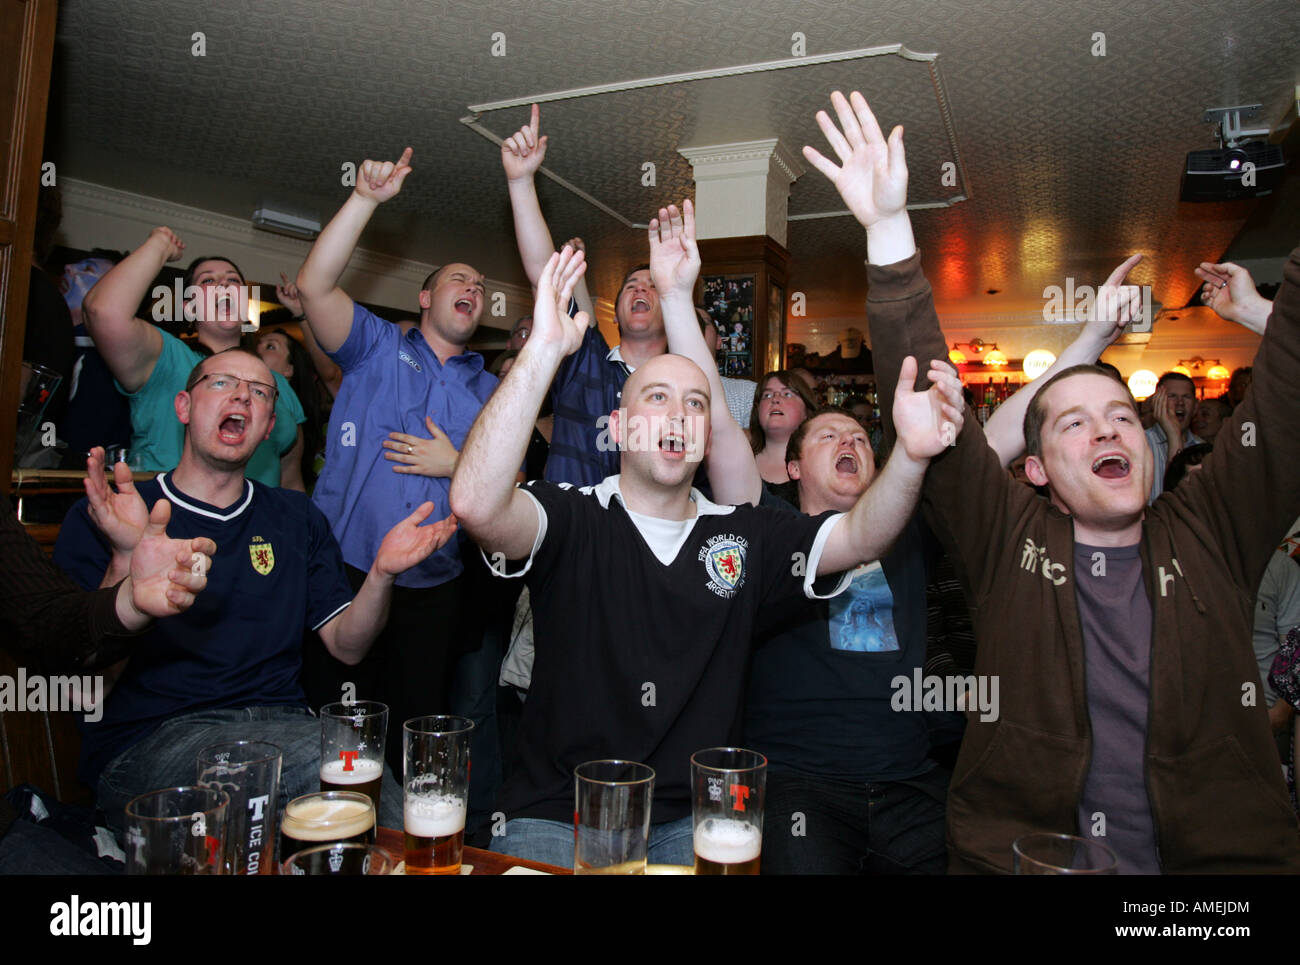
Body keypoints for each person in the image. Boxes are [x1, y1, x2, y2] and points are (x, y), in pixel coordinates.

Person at [806, 89, 1300, 873]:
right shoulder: (1012, 543)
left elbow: (1285, 404)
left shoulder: (1212, 527)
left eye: (1119, 415)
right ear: (1034, 471)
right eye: (1073, 421)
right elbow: (938, 411)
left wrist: (1272, 310)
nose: (1107, 427)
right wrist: (886, 231)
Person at [449, 205, 963, 867]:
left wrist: (913, 456)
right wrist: (544, 349)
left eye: (696, 402)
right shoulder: (571, 515)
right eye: (656, 397)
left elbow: (859, 538)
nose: (681, 412)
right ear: (621, 425)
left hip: (689, 824)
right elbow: (476, 502)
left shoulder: (744, 534)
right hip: (557, 813)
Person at [53, 348, 457, 831]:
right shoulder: (115, 515)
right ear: (184, 406)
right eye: (221, 383)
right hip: (151, 741)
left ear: (268, 427)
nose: (243, 393)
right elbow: (84, 688)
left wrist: (382, 574)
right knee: (329, 766)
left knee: (354, 765)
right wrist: (125, 559)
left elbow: (348, 647)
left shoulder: (296, 517)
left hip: (283, 725)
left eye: (261, 392)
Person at [294, 146, 499, 769]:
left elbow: (513, 482)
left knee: (415, 742)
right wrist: (365, 201)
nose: (475, 288)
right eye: (460, 279)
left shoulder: (491, 390)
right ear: (425, 297)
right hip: (348, 570)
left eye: (483, 287)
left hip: (434, 588)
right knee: (334, 738)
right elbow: (313, 286)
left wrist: (456, 463)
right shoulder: (375, 347)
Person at [500, 104, 665, 487]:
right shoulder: (585, 361)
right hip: (569, 534)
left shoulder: (680, 384)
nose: (641, 288)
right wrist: (522, 183)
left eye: (653, 286)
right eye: (631, 285)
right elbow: (546, 276)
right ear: (618, 315)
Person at [81, 228, 306, 488]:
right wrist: (160, 245)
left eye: (233, 281)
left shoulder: (279, 385)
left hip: (257, 525)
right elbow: (103, 312)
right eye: (208, 282)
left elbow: (290, 480)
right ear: (190, 307)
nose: (223, 284)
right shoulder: (167, 357)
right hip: (167, 520)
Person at [748, 371, 817, 491]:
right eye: (767, 395)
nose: (775, 399)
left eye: (787, 394)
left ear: (807, 411)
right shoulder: (738, 460)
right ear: (757, 411)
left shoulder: (821, 466)